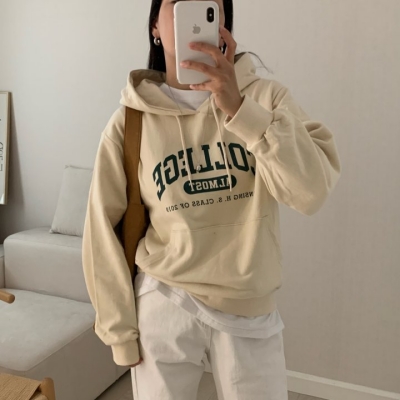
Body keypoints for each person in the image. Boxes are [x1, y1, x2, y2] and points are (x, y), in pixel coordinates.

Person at [82, 0, 342, 398]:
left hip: (248, 303)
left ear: (222, 24)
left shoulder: (266, 98)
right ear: (155, 26)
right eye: (178, 3)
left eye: (207, 4)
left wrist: (240, 109)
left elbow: (311, 192)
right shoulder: (131, 119)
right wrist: (119, 331)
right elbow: (101, 228)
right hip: (164, 299)